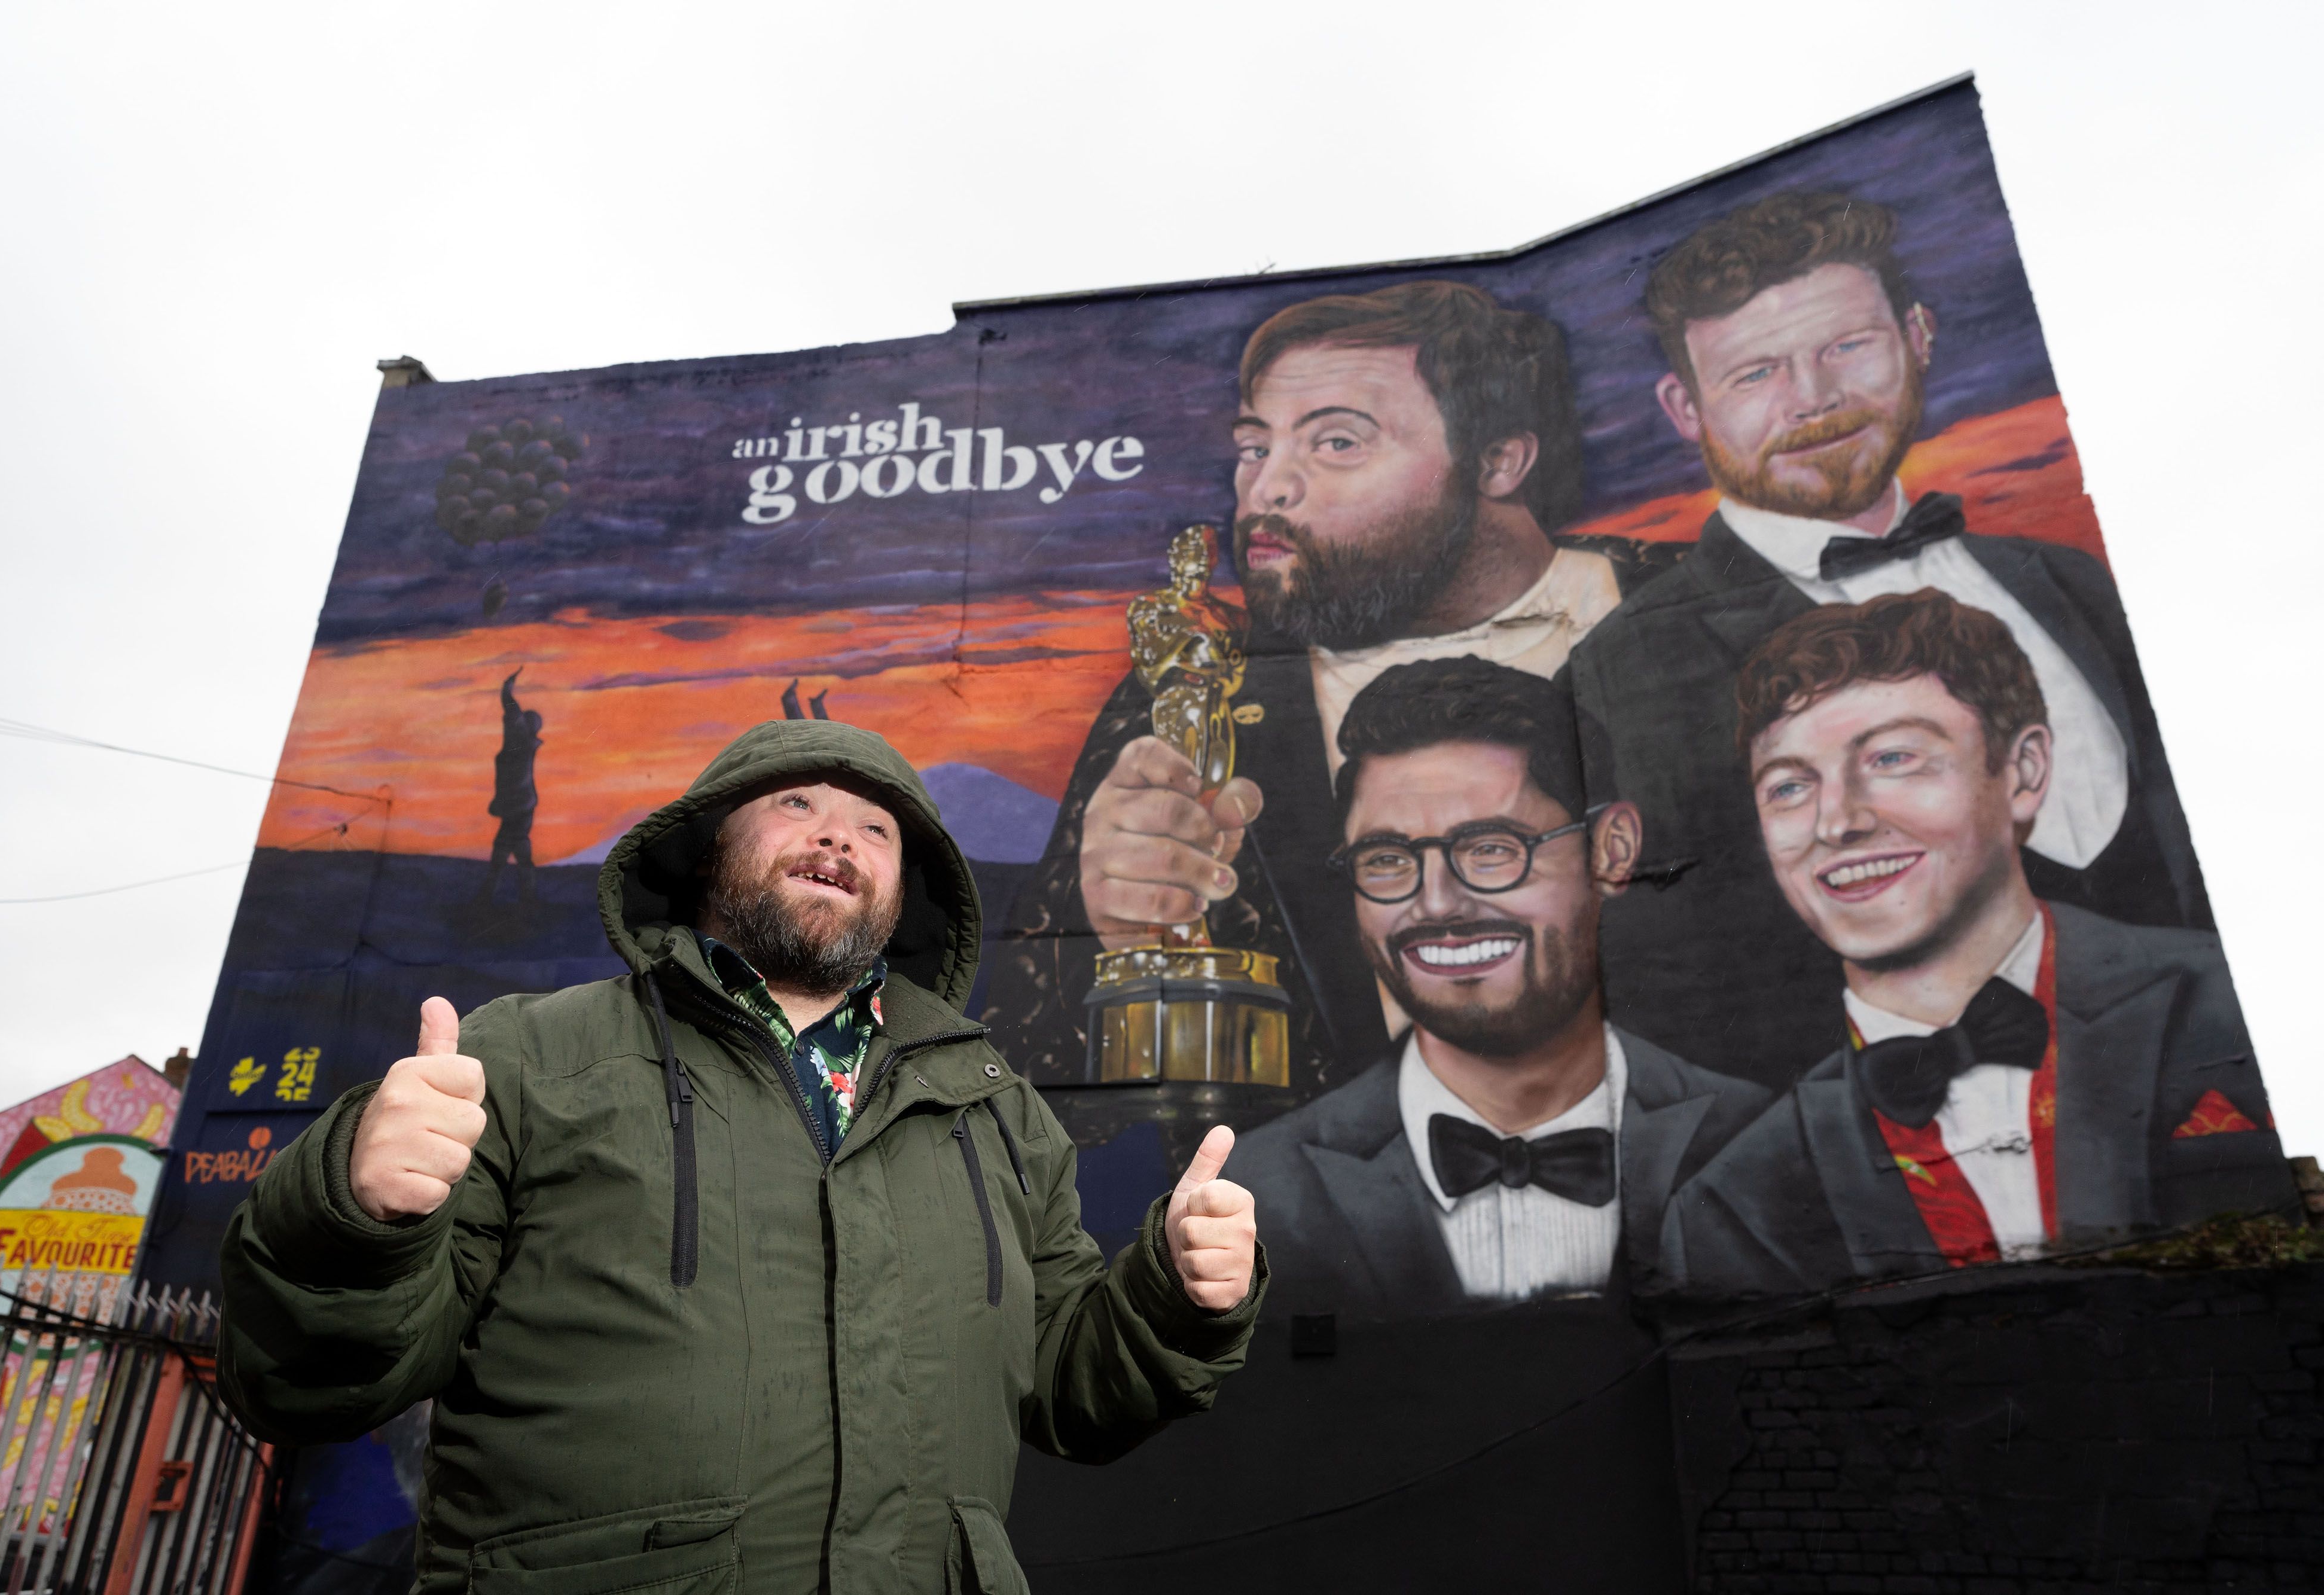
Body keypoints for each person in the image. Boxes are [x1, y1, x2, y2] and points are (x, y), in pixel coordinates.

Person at [216, 718, 1264, 1595]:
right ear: (709, 845)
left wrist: (1173, 1294)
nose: (838, 839)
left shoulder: (997, 1111)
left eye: (875, 827)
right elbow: (310, 1384)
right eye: (796, 806)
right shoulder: (528, 1055)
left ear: (909, 890)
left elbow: (1077, 1390)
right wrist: (353, 1211)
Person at [1566, 191, 2210, 1087]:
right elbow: (1687, 987)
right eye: (1757, 374)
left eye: (1847, 346)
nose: (1814, 399)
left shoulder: (2067, 580)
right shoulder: (1621, 668)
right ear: (1685, 405)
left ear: (1918, 335)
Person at [986, 280, 1679, 1098]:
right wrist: (1106, 937)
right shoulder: (1194, 684)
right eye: (1255, 447)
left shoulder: (1695, 623)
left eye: (1337, 443)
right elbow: (1024, 1063)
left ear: (1498, 459)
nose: (1268, 488)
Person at [1663, 591, 2288, 1297]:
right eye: (1788, 788)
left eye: (1894, 757)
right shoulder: (1735, 1204)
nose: (1835, 822)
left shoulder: (2250, 998)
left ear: (2022, 772)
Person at [1233, 658, 1770, 1316]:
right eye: (1386, 860)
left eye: (1490, 848)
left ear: (1612, 850)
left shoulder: (1768, 1144)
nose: (1435, 905)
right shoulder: (1257, 1192)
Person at [475, 669, 542, 903]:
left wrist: (507, 686)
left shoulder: (520, 742)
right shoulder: (523, 744)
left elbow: (511, 709)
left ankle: (493, 896)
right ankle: (527, 896)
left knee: (506, 850)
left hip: (518, 805)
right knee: (517, 849)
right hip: (520, 805)